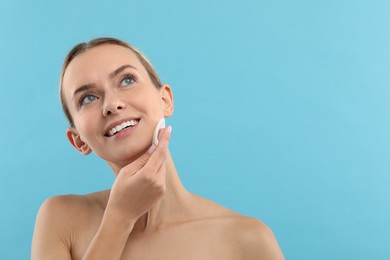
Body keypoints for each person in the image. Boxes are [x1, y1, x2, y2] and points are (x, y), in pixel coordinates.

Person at [31, 37, 284, 259]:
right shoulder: (60, 220)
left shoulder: (247, 239)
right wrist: (119, 219)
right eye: (88, 98)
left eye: (127, 80)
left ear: (165, 100)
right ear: (78, 141)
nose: (112, 104)